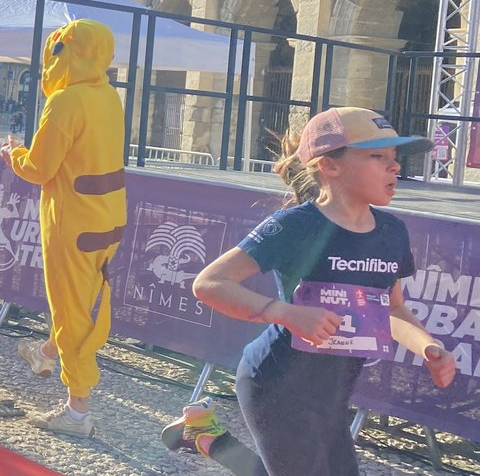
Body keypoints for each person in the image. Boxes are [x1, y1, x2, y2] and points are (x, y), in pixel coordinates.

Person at [193, 107, 457, 476]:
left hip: (332, 394)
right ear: (329, 167)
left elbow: (392, 309)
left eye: (396, 158)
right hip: (276, 385)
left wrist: (429, 348)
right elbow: (209, 284)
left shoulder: (392, 232)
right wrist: (285, 313)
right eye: (377, 156)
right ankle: (207, 437)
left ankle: (207, 438)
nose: (394, 167)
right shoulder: (296, 226)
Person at [0, 19, 126, 438]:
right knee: (80, 301)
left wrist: (13, 154)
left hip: (71, 221)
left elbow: (39, 169)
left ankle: (77, 412)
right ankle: (45, 352)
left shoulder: (65, 102)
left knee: (71, 312)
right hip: (108, 217)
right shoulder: (110, 97)